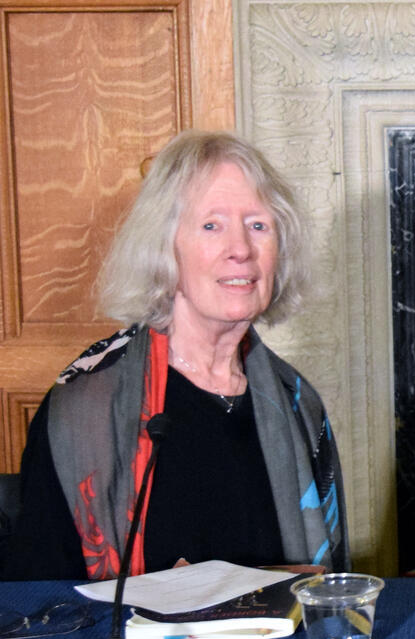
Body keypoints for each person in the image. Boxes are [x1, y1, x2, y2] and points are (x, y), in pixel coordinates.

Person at [2, 130, 349, 580]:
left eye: (258, 225)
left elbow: (329, 587)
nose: (240, 250)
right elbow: (42, 599)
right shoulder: (87, 405)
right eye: (211, 225)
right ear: (165, 247)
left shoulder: (298, 402)